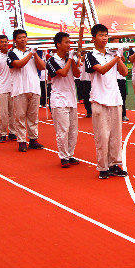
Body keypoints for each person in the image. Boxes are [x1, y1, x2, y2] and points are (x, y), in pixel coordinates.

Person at [85, 23, 128, 179]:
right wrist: (116, 57)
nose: (104, 38)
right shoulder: (91, 56)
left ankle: (115, 164)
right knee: (103, 136)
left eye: (106, 35)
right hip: (99, 99)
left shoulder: (111, 54)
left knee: (116, 135)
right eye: (101, 35)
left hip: (115, 98)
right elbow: (102, 70)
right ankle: (103, 167)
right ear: (94, 38)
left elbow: (124, 72)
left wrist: (118, 57)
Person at [7, 29, 46, 153]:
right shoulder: (12, 53)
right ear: (15, 40)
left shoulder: (33, 53)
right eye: (20, 38)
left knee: (33, 116)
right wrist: (30, 54)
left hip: (34, 87)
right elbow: (18, 64)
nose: (23, 39)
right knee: (20, 117)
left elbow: (42, 66)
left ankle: (33, 139)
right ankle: (22, 141)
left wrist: (35, 54)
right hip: (20, 89)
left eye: (24, 37)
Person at [46, 32, 81, 168]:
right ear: (58, 44)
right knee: (63, 130)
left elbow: (77, 74)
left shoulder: (70, 58)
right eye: (66, 42)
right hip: (59, 99)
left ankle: (70, 154)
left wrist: (74, 60)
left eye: (69, 42)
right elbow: (63, 73)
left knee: (73, 130)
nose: (69, 44)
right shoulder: (51, 60)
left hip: (72, 98)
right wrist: (70, 60)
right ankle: (63, 156)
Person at [0, 35, 16, 143]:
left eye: (6, 41)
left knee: (13, 112)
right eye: (2, 42)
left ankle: (12, 132)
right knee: (3, 113)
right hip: (2, 87)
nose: (5, 44)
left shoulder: (13, 54)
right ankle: (3, 133)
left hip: (14, 87)